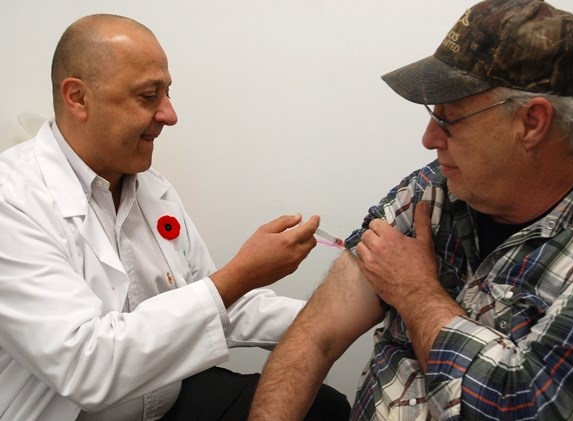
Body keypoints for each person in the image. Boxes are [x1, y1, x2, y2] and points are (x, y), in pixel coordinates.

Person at [248, 0, 573, 419]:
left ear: (531, 122)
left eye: (450, 119)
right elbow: (317, 332)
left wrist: (415, 292)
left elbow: (520, 406)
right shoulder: (437, 189)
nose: (429, 138)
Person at [0, 14, 350, 421]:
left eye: (167, 93)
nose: (169, 114)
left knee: (322, 408)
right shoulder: (14, 202)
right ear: (78, 98)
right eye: (149, 96)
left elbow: (220, 306)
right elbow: (87, 366)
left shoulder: (152, 190)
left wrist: (337, 315)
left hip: (165, 400)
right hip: (72, 413)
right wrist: (241, 275)